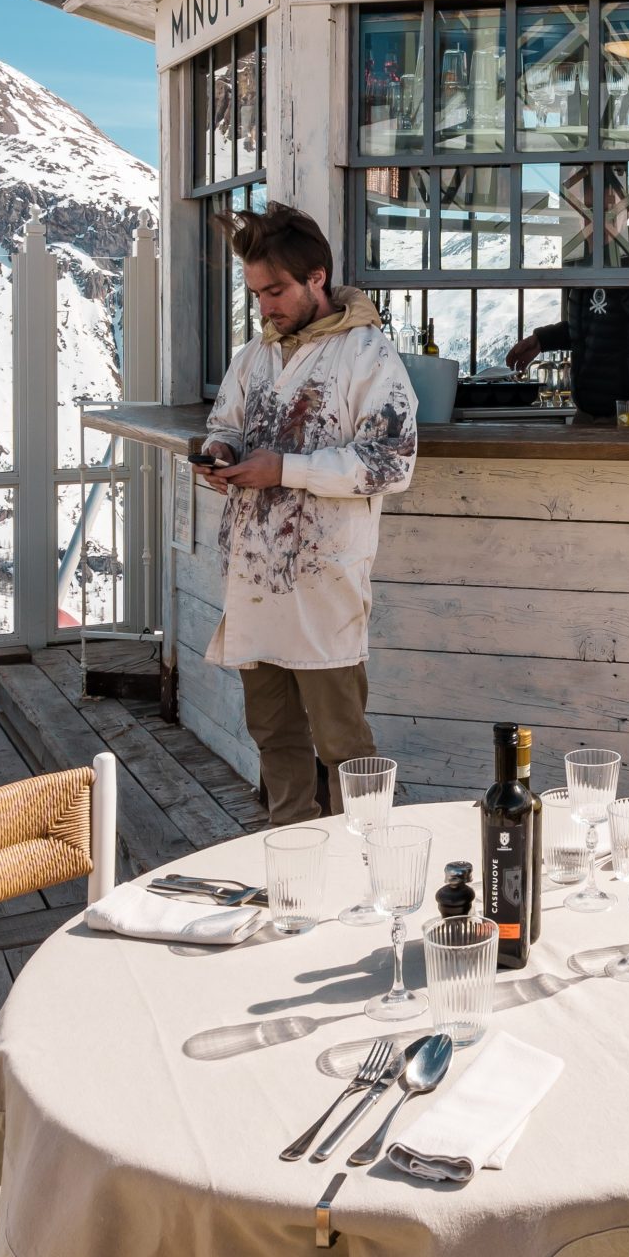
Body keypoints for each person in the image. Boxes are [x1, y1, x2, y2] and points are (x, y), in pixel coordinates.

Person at [199, 205, 416, 822]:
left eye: (276, 291)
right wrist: (221, 453)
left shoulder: (367, 355)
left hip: (324, 583)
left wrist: (285, 470)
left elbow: (392, 461)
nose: (264, 307)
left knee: (344, 744)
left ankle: (370, 857)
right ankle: (289, 852)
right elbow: (225, 424)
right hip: (254, 578)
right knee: (272, 734)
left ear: (316, 278)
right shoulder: (255, 357)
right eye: (256, 293)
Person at [506, 284, 629, 419]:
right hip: (586, 413)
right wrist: (542, 340)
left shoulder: (628, 269)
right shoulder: (588, 272)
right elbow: (589, 328)